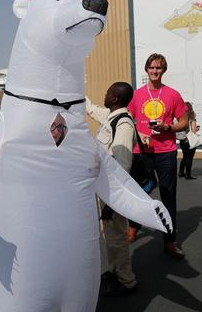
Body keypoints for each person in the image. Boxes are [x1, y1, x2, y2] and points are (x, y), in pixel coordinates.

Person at [127, 53, 188, 259]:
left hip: (166, 151)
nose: (155, 71)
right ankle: (133, 226)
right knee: (137, 193)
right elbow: (127, 119)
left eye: (159, 68)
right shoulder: (136, 95)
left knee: (168, 196)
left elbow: (184, 122)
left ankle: (170, 240)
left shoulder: (172, 94)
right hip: (141, 152)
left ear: (164, 70)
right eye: (152, 68)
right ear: (146, 69)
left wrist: (168, 126)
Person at [86, 82, 137, 296]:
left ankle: (126, 280)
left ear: (115, 98)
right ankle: (115, 271)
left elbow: (122, 166)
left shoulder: (123, 124)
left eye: (108, 93)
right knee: (110, 236)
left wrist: (111, 202)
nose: (105, 95)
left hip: (111, 193)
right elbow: (90, 108)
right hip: (104, 189)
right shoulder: (111, 117)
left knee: (116, 237)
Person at [177, 102, 199, 180]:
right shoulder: (192, 118)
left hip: (183, 140)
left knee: (184, 156)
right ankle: (188, 174)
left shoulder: (181, 118)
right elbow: (193, 131)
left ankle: (180, 172)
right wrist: (197, 128)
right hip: (190, 140)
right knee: (189, 157)